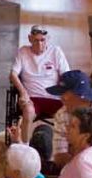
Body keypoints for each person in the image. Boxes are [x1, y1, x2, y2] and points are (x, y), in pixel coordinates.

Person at [10, 25, 70, 160]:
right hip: (33, 98)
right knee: (28, 111)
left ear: (47, 39)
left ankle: (64, 150)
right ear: (30, 39)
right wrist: (23, 92)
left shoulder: (56, 52)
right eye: (36, 40)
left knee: (68, 114)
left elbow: (66, 75)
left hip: (54, 98)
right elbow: (13, 74)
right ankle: (24, 147)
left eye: (43, 40)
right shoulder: (23, 52)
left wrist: (66, 93)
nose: (40, 44)